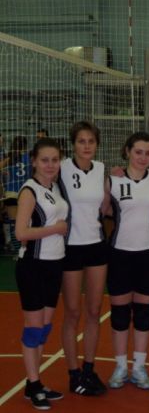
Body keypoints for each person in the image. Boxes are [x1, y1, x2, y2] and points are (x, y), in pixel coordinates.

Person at [106, 132, 149, 390]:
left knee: (143, 313)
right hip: (119, 254)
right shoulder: (112, 180)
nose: (143, 157)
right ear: (128, 151)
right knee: (120, 315)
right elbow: (104, 210)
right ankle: (120, 366)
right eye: (138, 152)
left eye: (148, 153)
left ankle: (139, 367)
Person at [15, 138, 68, 410]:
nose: (50, 165)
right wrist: (54, 229)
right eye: (45, 160)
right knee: (34, 329)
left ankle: (33, 382)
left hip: (54, 264)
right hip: (33, 266)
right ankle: (34, 384)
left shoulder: (55, 188)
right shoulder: (29, 190)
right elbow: (20, 233)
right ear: (34, 161)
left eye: (55, 160)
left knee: (44, 328)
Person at [58, 121, 108, 396]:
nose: (87, 146)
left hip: (96, 245)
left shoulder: (101, 169)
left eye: (91, 141)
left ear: (97, 144)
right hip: (70, 247)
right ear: (73, 144)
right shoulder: (61, 168)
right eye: (81, 141)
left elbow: (106, 205)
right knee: (73, 312)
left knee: (94, 310)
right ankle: (73, 373)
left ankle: (88, 369)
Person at [4, 136, 32, 253]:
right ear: (25, 145)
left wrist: (6, 173)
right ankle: (25, 249)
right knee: (25, 223)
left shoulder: (10, 158)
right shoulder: (29, 158)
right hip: (25, 193)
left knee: (13, 224)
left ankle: (17, 251)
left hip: (11, 193)